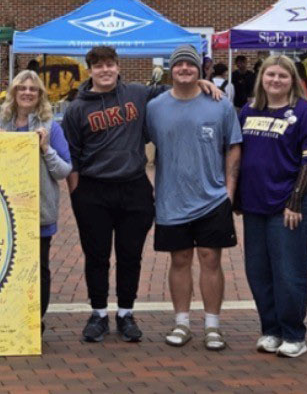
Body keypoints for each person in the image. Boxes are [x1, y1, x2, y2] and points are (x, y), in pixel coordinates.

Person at [63, 45, 222, 344]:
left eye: (110, 64)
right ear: (90, 70)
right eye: (98, 66)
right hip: (93, 189)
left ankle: (125, 313)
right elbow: (72, 155)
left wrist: (201, 82)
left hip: (133, 187)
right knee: (96, 256)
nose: (105, 70)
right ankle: (98, 313)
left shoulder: (138, 94)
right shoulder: (77, 108)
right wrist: (77, 195)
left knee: (130, 255)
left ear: (118, 66)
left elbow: (178, 86)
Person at [146, 45, 241, 351]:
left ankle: (212, 326)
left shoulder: (219, 104)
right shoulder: (155, 107)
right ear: (170, 70)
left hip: (213, 198)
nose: (184, 69)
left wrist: (229, 191)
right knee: (180, 259)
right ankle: (182, 323)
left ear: (201, 70)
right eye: (179, 65)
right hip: (172, 199)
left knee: (210, 258)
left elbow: (234, 146)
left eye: (190, 65)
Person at [237, 55, 307, 359]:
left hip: (289, 206)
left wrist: (296, 200)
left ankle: (293, 334)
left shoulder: (306, 113)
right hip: (255, 206)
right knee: (258, 271)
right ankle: (271, 330)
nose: (275, 80)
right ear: (261, 77)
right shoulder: (249, 110)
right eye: (270, 75)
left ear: (294, 80)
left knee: (289, 272)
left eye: (282, 76)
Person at [0, 69, 71, 328]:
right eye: (21, 88)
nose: (27, 93)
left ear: (40, 95)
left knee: (39, 269)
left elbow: (63, 170)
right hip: (4, 211)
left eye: (32, 89)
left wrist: (46, 148)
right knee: (7, 268)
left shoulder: (51, 127)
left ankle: (37, 320)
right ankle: (11, 317)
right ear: (13, 93)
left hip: (39, 210)